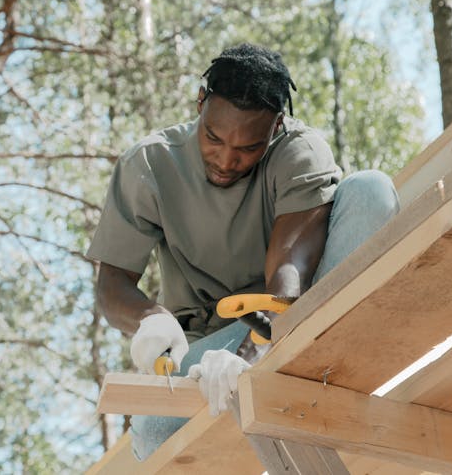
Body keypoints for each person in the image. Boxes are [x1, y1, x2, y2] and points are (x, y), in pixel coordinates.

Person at [86, 43, 400, 460]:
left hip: (296, 314)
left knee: (370, 192)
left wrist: (254, 356)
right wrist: (150, 319)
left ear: (276, 127)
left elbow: (290, 270)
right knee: (153, 430)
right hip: (208, 345)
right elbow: (112, 284)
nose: (226, 159)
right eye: (213, 138)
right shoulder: (148, 165)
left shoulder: (300, 152)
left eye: (248, 148)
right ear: (200, 103)